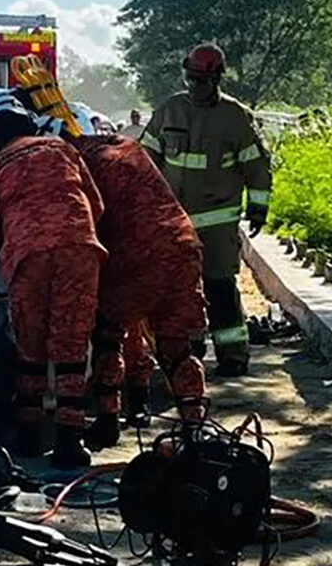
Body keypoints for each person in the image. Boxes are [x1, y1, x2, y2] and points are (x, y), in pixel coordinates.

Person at [0, 95, 106, 469]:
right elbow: (96, 205)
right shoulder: (62, 151)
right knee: (71, 347)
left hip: (28, 259)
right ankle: (68, 443)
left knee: (31, 348)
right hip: (80, 250)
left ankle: (29, 437)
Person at [66, 134, 208, 449]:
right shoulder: (126, 147)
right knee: (176, 343)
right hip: (182, 244)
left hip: (136, 253)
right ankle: (195, 425)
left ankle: (106, 421)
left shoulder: (76, 162)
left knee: (107, 335)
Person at [141, 43, 272, 377]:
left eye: (202, 80)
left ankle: (233, 355)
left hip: (217, 223)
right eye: (190, 79)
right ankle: (189, 353)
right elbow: (144, 161)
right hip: (174, 222)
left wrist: (258, 209)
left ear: (216, 79)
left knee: (220, 288)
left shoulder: (234, 117)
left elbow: (256, 167)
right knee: (180, 289)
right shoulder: (170, 111)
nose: (195, 86)